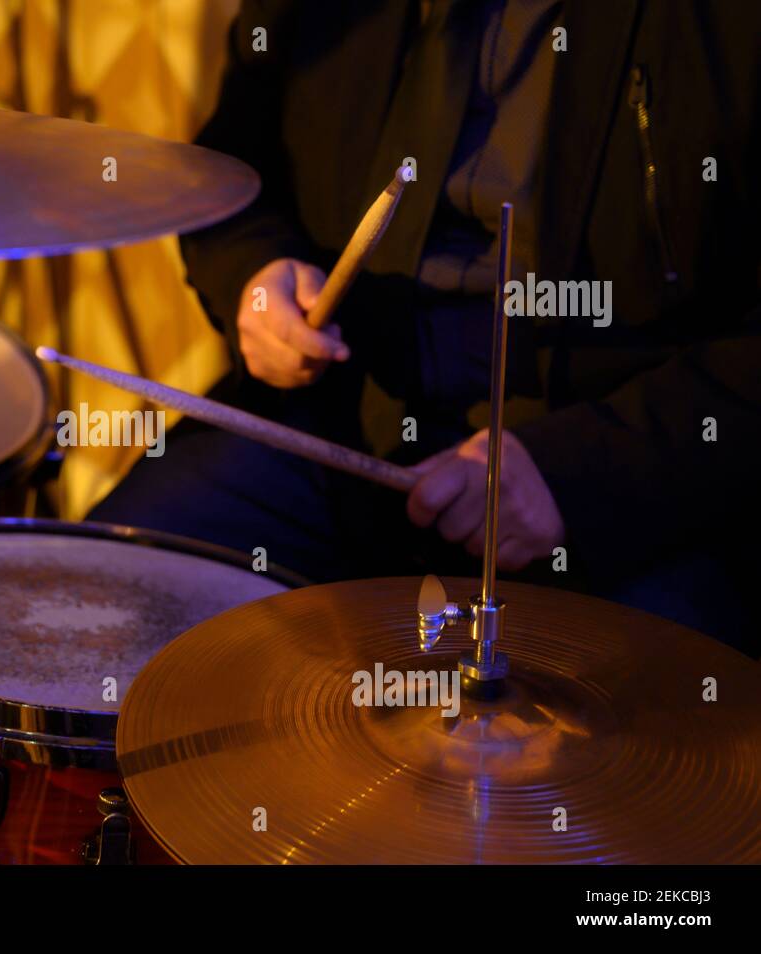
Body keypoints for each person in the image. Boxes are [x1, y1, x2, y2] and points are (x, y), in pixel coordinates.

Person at [90, 0, 761, 655]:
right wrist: (257, 275)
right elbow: (234, 167)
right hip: (334, 422)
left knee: (647, 732)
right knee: (91, 615)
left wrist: (582, 469)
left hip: (616, 470)